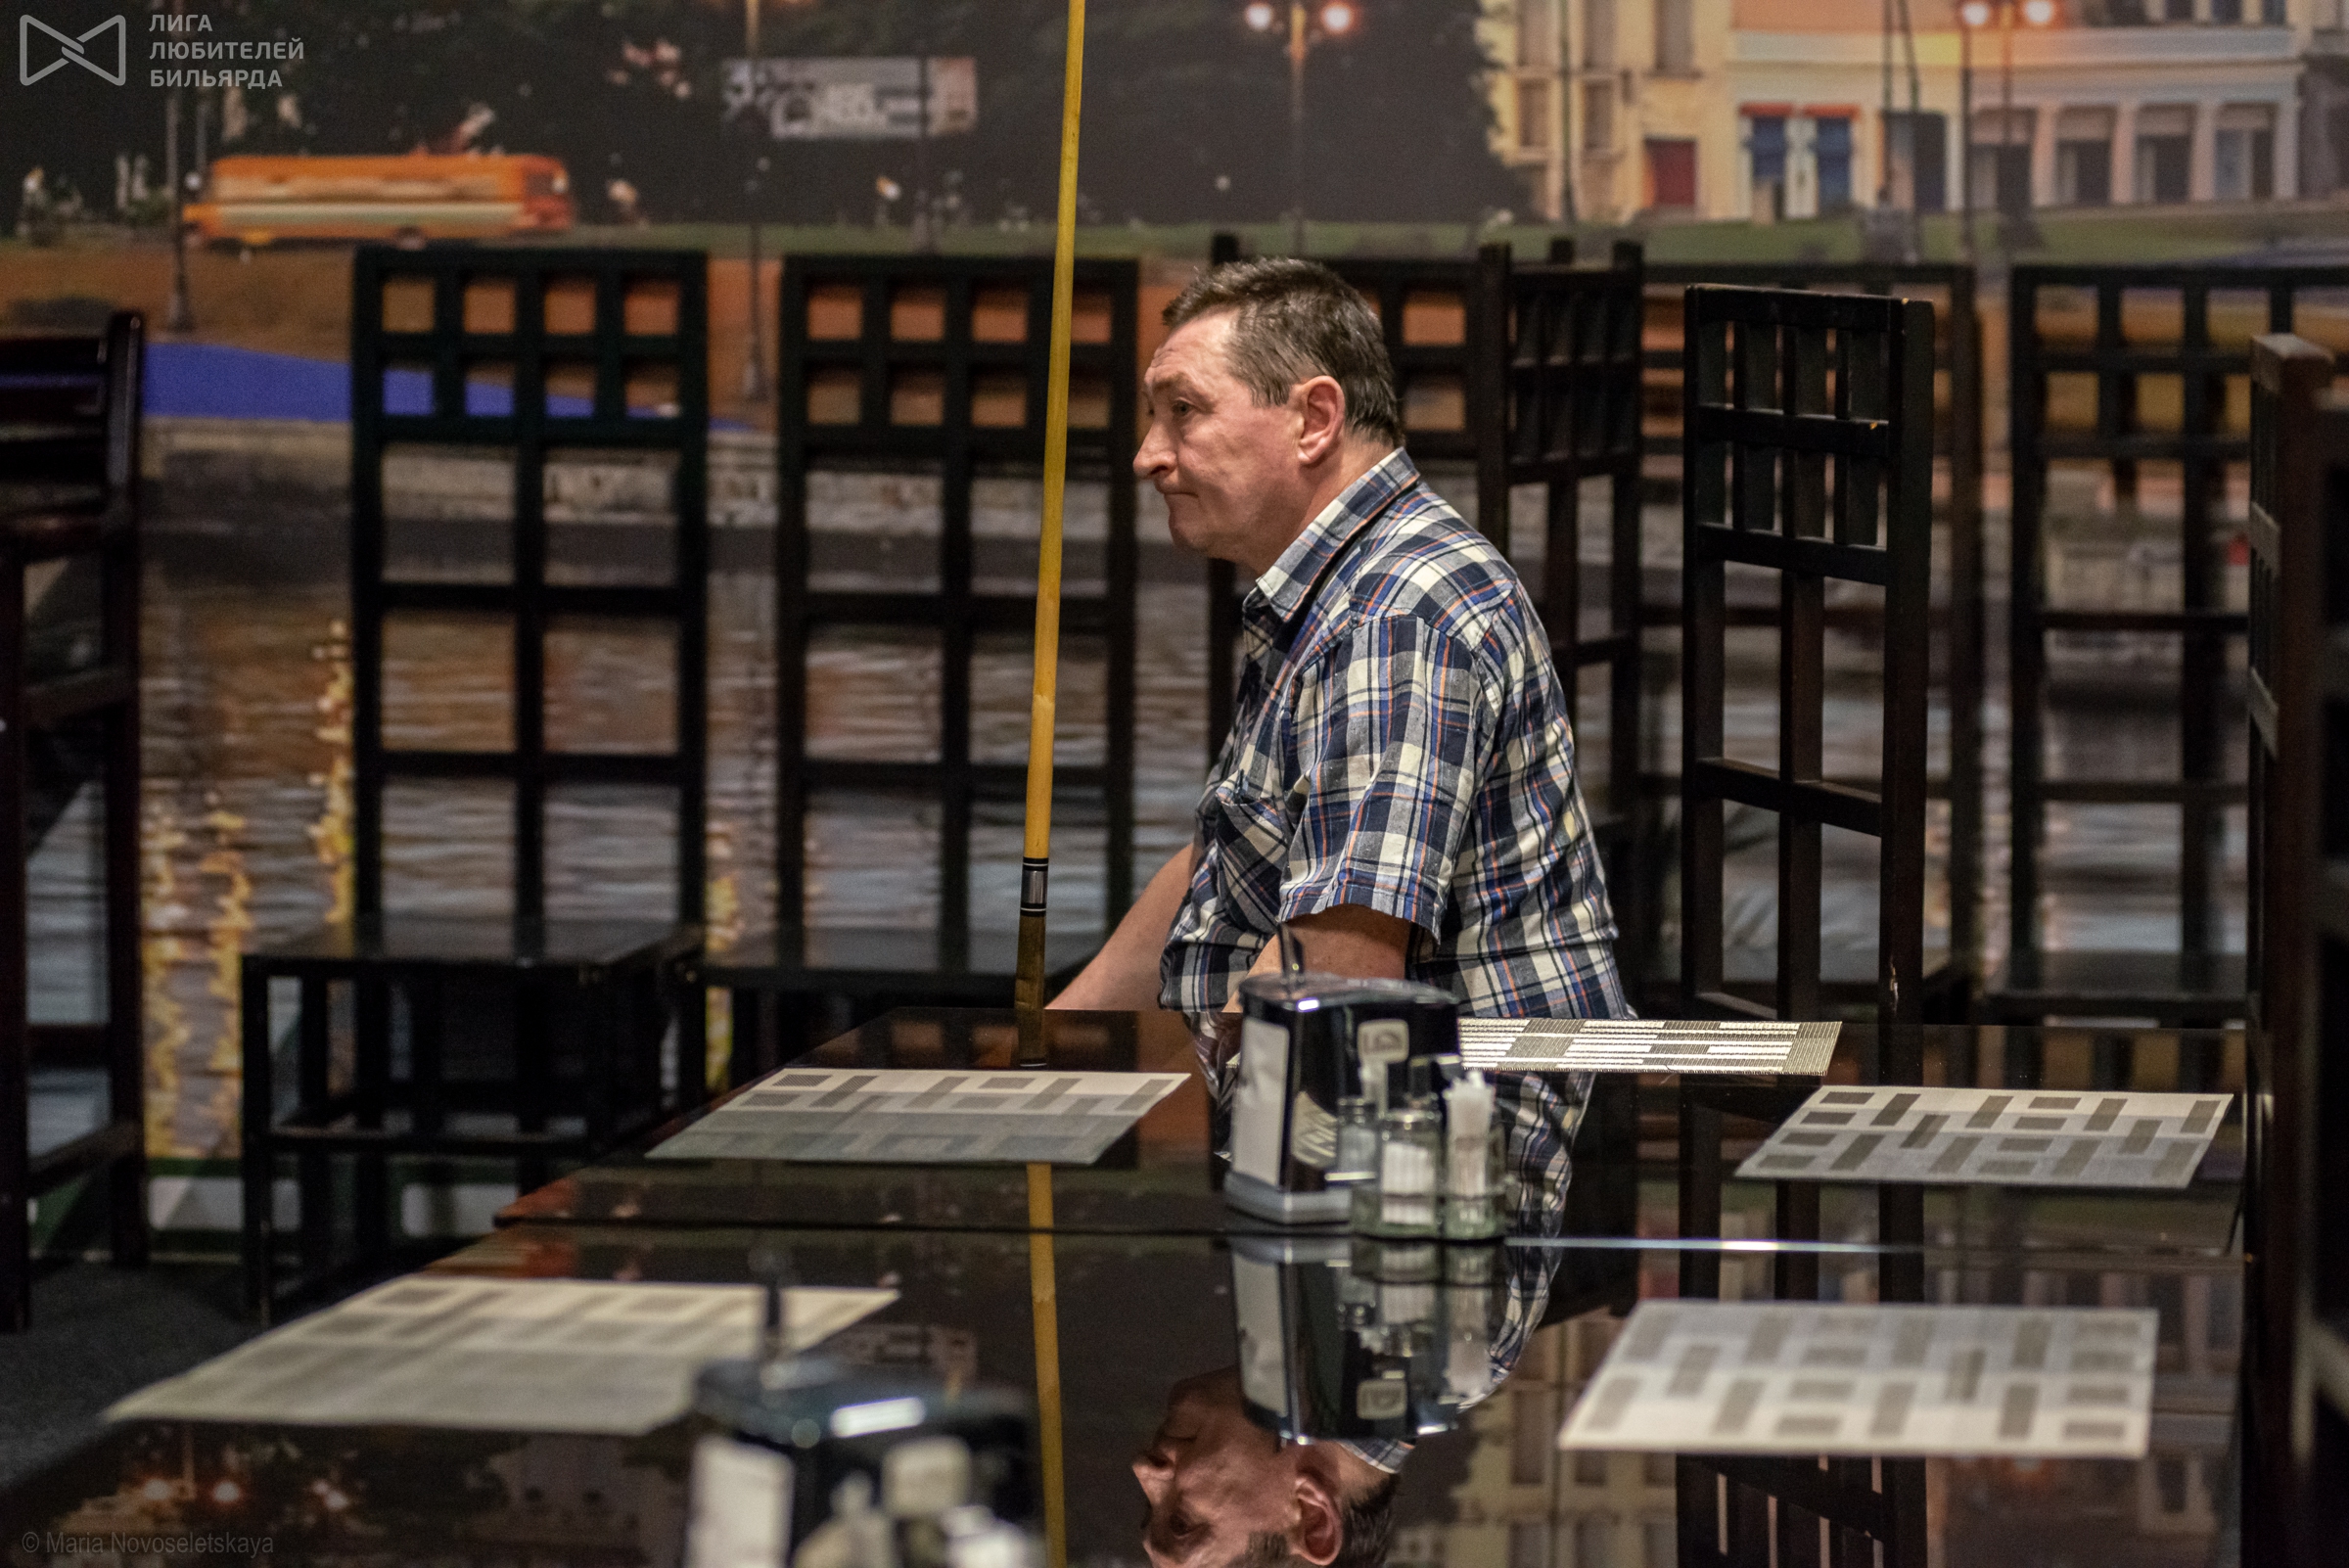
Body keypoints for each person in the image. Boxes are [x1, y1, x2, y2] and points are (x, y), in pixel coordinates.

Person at [1052, 256, 1626, 1020]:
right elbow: (1221, 869)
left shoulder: (1397, 616)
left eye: (1183, 410)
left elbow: (1332, 975)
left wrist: (1167, 1092)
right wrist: (1045, 1050)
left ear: (1315, 420)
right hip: (1359, 1073)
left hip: (1464, 1089)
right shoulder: (1337, 586)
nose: (1148, 454)